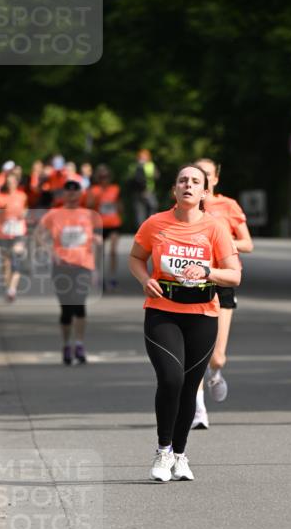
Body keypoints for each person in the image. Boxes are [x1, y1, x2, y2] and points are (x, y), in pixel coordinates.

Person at [128, 163, 241, 482]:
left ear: (205, 191)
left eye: (194, 181)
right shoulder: (155, 223)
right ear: (174, 190)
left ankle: (180, 454)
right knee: (170, 378)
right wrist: (144, 279)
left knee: (190, 387)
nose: (188, 185)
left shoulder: (215, 228)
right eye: (182, 181)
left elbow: (234, 276)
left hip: (202, 315)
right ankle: (163, 451)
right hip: (162, 311)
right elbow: (135, 258)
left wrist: (207, 271)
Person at [191, 157, 253, 429]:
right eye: (197, 174)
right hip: (194, 280)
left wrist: (223, 241)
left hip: (223, 278)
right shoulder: (186, 206)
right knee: (195, 352)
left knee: (217, 356)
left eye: (206, 174)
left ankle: (216, 373)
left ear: (215, 179)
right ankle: (199, 410)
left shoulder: (228, 206)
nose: (201, 179)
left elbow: (247, 243)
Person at [36, 176, 102, 365]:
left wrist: (96, 266)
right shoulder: (54, 214)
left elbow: (94, 240)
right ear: (63, 194)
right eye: (68, 191)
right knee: (66, 308)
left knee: (79, 304)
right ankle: (66, 344)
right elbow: (38, 235)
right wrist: (50, 251)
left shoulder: (89, 214)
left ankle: (79, 344)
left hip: (83, 265)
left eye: (75, 191)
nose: (72, 194)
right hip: (61, 266)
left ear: (80, 193)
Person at [86, 165, 122, 290]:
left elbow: (119, 205)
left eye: (106, 177)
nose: (104, 180)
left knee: (113, 251)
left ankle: (113, 278)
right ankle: (98, 277)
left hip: (113, 224)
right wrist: (97, 198)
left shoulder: (115, 189)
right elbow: (89, 205)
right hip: (99, 225)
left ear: (109, 178)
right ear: (98, 178)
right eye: (101, 177)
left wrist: (117, 208)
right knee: (99, 251)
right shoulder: (94, 190)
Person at [0, 171, 29, 302]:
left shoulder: (22, 196)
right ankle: (8, 286)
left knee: (15, 258)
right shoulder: (1, 197)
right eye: (8, 182)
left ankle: (12, 289)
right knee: (6, 262)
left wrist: (23, 214)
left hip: (18, 231)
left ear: (17, 183)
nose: (11, 184)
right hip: (4, 232)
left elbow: (26, 210)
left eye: (13, 182)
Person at [130, 149, 159, 228]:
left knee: (150, 208)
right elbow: (134, 179)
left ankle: (149, 226)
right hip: (140, 192)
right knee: (142, 211)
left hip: (147, 191)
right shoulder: (136, 166)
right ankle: (144, 228)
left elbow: (156, 176)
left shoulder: (150, 165)